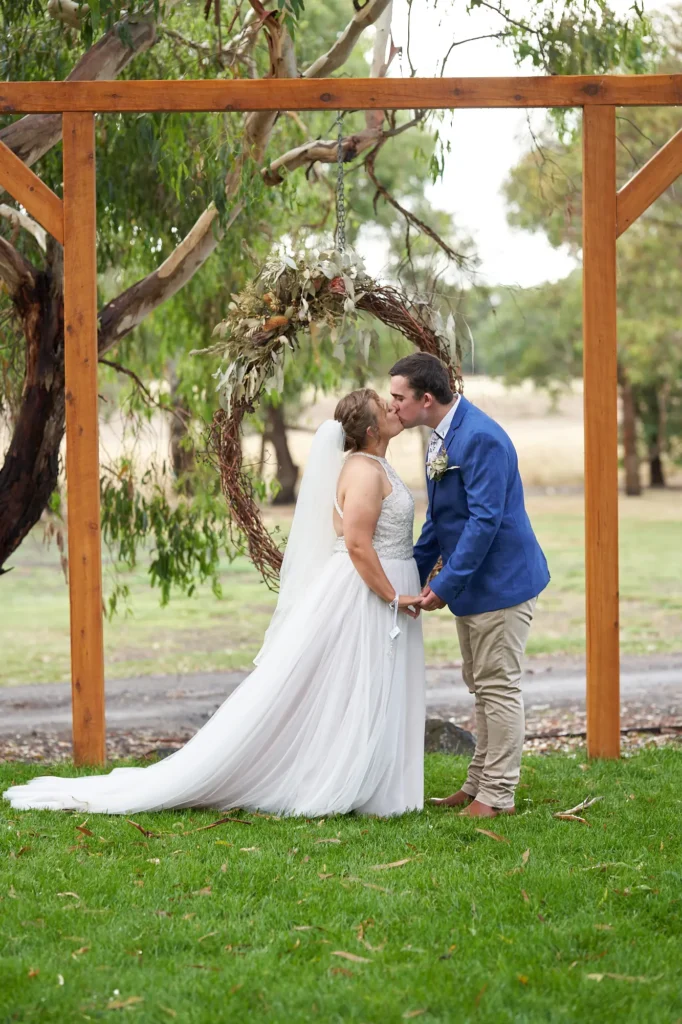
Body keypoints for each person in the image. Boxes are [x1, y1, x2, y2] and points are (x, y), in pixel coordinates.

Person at [4, 390, 425, 818]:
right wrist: (393, 595)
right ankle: (338, 777)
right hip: (366, 593)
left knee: (360, 684)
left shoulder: (372, 464)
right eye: (384, 406)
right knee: (350, 683)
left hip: (366, 588)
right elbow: (355, 541)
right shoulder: (366, 472)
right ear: (371, 431)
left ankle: (372, 775)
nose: (393, 408)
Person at [389, 353, 550, 818]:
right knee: (481, 686)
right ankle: (478, 782)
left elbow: (485, 521)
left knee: (498, 686)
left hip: (502, 583)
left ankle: (498, 795)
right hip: (473, 587)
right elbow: (439, 522)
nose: (392, 405)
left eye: (398, 397)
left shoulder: (480, 438)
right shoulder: (440, 437)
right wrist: (411, 579)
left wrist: (445, 585)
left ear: (425, 398)